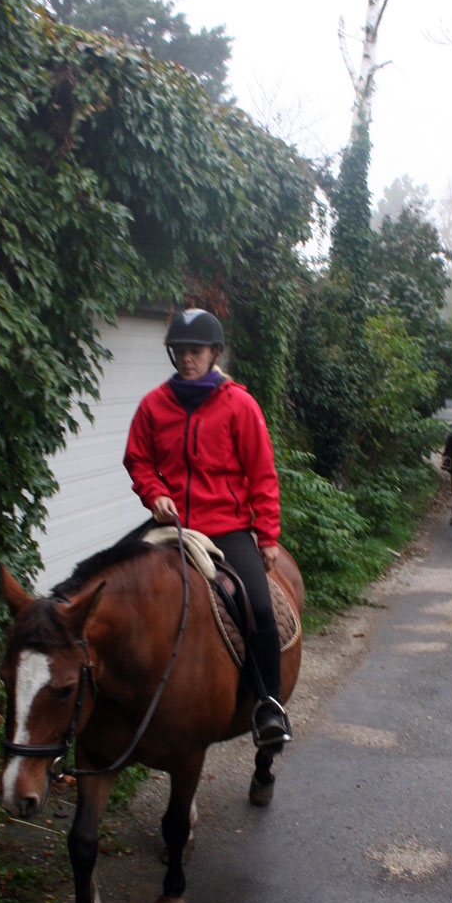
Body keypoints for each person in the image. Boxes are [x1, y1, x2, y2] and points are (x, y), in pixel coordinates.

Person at [123, 308, 292, 750]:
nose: (186, 359)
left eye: (194, 351)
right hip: (171, 525)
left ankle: (269, 704)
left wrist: (267, 536)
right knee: (110, 584)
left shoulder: (240, 404)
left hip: (226, 529)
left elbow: (262, 475)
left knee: (257, 604)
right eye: (178, 351)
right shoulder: (153, 406)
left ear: (214, 353)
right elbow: (138, 460)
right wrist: (154, 492)